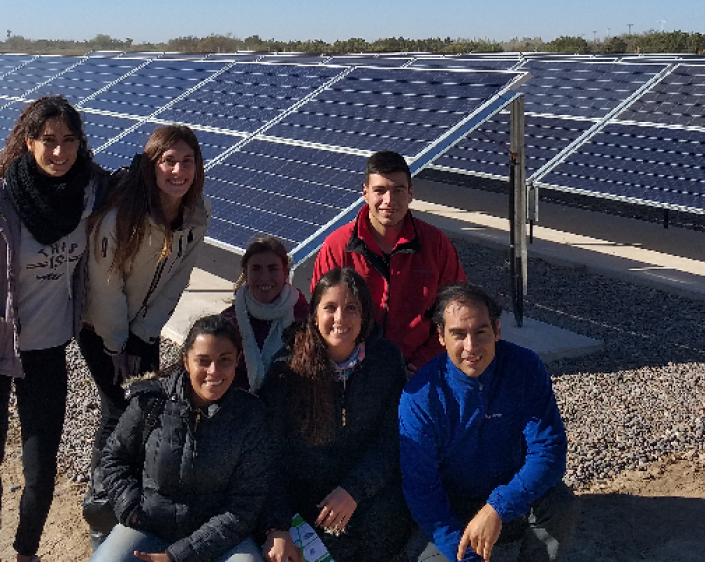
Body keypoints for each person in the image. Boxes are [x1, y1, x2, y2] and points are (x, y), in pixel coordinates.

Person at [0, 95, 106, 562]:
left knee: (40, 467)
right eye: (49, 141)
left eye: (69, 141)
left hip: (48, 352)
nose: (60, 153)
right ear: (29, 142)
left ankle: (26, 552)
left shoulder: (89, 196)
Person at [79, 125, 211, 544]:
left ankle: (132, 496)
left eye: (187, 161)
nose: (178, 170)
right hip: (100, 326)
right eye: (168, 161)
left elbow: (177, 280)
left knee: (146, 409)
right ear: (153, 165)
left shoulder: (195, 216)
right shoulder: (123, 215)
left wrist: (143, 336)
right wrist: (118, 343)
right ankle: (102, 509)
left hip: (141, 330)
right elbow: (105, 283)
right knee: (120, 409)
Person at [398, 284, 579, 562]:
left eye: (480, 332)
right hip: (454, 505)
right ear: (441, 336)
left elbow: (549, 451)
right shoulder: (420, 396)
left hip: (513, 492)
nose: (471, 347)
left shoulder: (525, 368)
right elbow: (421, 489)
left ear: (496, 330)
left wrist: (498, 507)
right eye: (458, 334)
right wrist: (464, 555)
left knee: (560, 504)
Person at [260, 267, 413, 562]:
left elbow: (392, 439)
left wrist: (354, 489)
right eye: (330, 307)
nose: (340, 319)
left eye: (352, 308)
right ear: (315, 314)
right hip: (303, 503)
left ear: (365, 316)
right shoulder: (287, 370)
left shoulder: (386, 361)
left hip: (365, 495)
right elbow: (267, 455)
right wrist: (276, 525)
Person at [90, 314, 270, 562]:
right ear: (186, 361)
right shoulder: (153, 401)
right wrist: (130, 508)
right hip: (150, 526)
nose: (213, 371)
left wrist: (179, 555)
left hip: (218, 540)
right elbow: (113, 457)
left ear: (238, 360)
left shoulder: (250, 417)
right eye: (203, 361)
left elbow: (246, 504)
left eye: (224, 360)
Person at [311, 150, 466, 373]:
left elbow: (456, 311)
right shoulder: (336, 247)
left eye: (398, 190)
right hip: (353, 372)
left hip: (419, 372)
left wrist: (420, 366)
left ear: (411, 193)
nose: (389, 200)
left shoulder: (436, 245)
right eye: (380, 190)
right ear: (365, 193)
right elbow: (321, 315)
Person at [219, 236, 309, 392]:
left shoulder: (305, 317)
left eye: (273, 269)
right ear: (245, 273)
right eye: (256, 269)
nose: (264, 278)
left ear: (285, 273)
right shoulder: (228, 322)